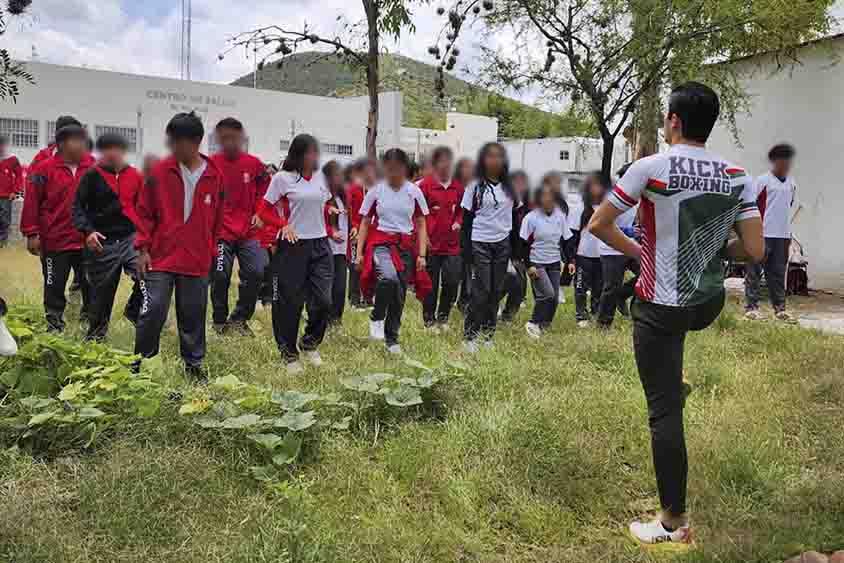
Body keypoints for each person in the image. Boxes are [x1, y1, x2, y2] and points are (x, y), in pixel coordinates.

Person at [589, 82, 764, 545]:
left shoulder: (650, 167)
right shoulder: (737, 175)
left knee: (663, 413)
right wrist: (708, 249)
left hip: (663, 307)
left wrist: (642, 252)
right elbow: (753, 249)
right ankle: (675, 375)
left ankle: (672, 522)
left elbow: (598, 225)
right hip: (705, 305)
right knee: (674, 327)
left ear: (673, 122)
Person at [134, 112, 225, 380]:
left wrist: (211, 248)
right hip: (160, 257)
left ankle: (193, 365)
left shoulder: (214, 175)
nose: (172, 147)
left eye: (177, 142)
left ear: (196, 142)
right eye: (170, 141)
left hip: (197, 259)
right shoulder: (160, 172)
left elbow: (218, 218)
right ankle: (142, 363)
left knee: (193, 315)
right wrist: (142, 249)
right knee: (153, 310)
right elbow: (144, 212)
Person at [257, 134, 334, 375]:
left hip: (320, 245)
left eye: (315, 152)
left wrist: (329, 209)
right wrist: (282, 223)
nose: (314, 157)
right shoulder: (282, 179)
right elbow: (263, 211)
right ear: (298, 154)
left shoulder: (322, 177)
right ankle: (289, 354)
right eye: (309, 153)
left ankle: (310, 343)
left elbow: (318, 204)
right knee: (289, 303)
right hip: (292, 246)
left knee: (324, 301)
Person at [20, 124, 94, 332]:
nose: (81, 144)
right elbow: (32, 202)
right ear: (61, 144)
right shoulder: (42, 169)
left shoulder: (93, 167)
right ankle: (54, 327)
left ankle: (89, 325)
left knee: (92, 284)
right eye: (76, 140)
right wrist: (32, 233)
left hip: (86, 241)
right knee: (54, 285)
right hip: (55, 240)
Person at [355, 148, 430, 354]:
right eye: (390, 168)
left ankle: (392, 339)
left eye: (398, 168)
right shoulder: (376, 190)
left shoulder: (413, 191)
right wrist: (359, 253)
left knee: (399, 295)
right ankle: (377, 316)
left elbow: (422, 222)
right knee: (388, 278)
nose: (394, 172)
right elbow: (364, 222)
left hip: (405, 246)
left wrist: (422, 255)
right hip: (381, 243)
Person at [72, 132, 143, 341]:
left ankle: (133, 309)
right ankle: (96, 337)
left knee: (147, 276)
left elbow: (145, 209)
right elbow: (77, 207)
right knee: (101, 296)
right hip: (102, 243)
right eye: (107, 149)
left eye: (117, 149)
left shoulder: (136, 176)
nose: (112, 153)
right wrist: (88, 231)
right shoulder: (92, 176)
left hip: (130, 239)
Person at [209, 118, 271, 336]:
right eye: (224, 138)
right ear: (218, 139)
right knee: (220, 276)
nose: (229, 142)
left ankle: (239, 319)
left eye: (233, 137)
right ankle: (218, 321)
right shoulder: (210, 163)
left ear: (241, 137)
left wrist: (260, 212)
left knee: (257, 271)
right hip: (220, 232)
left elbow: (266, 190)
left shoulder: (254, 164)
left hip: (249, 231)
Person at [461, 143, 520, 352]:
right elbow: (466, 220)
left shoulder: (510, 187)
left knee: (496, 291)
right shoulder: (475, 185)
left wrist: (516, 251)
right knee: (481, 290)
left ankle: (488, 335)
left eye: (498, 157)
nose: (494, 160)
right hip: (480, 242)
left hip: (502, 243)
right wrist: (466, 250)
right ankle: (470, 336)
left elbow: (515, 219)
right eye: (490, 156)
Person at [745, 143, 802, 321]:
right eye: (782, 160)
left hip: (782, 235)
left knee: (777, 273)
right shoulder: (763, 181)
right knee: (754, 271)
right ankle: (751, 308)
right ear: (774, 161)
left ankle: (780, 309)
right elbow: (751, 205)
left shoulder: (792, 183)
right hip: (762, 233)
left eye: (788, 161)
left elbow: (790, 205)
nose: (785, 165)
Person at [520, 182, 574, 338]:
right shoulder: (531, 218)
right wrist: (528, 266)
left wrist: (570, 261)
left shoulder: (560, 216)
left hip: (554, 262)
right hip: (536, 262)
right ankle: (533, 322)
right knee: (548, 294)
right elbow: (523, 244)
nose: (548, 200)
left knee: (555, 299)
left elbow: (567, 240)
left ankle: (544, 325)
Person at [419, 146, 464, 331]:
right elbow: (419, 215)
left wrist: (458, 222)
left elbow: (462, 210)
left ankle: (443, 317)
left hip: (452, 245)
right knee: (431, 284)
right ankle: (429, 320)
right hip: (431, 244)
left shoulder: (458, 187)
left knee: (452, 281)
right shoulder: (425, 186)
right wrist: (424, 238)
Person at [596, 163, 640, 328]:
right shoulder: (612, 196)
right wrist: (630, 231)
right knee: (611, 287)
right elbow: (602, 223)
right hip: (610, 248)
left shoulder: (636, 196)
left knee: (651, 274)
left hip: (629, 246)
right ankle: (603, 324)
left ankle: (623, 294)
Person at [572, 172, 608, 327]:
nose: (597, 189)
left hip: (601, 255)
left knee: (599, 287)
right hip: (583, 255)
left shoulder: (607, 207)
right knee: (580, 286)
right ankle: (581, 315)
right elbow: (572, 235)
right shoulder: (580, 208)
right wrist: (571, 258)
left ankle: (595, 312)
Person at [499, 170, 531, 323]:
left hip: (519, 252)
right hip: (502, 249)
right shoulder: (504, 203)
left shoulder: (527, 205)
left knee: (518, 285)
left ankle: (507, 316)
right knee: (505, 282)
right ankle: (487, 307)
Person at [346, 158, 377, 310]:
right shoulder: (353, 189)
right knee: (356, 265)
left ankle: (368, 297)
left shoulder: (376, 190)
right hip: (357, 233)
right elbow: (350, 212)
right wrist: (354, 228)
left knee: (370, 266)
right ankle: (354, 298)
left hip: (372, 234)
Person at [324, 160, 349, 327]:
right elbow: (316, 221)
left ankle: (336, 320)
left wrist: (353, 229)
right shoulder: (322, 197)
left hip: (341, 250)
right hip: (326, 249)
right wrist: (331, 233)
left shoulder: (343, 197)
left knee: (340, 288)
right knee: (326, 288)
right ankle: (323, 320)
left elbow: (350, 220)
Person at [454, 157, 475, 313]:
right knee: (460, 273)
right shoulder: (457, 188)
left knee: (469, 271)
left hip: (474, 236)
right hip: (459, 236)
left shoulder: (477, 188)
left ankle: (465, 300)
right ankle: (461, 300)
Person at [0, 135, 23, 248]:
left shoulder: (12, 159)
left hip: (5, 196)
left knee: (4, 220)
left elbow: (19, 175)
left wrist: (15, 191)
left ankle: (2, 243)